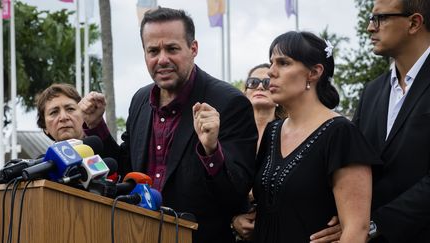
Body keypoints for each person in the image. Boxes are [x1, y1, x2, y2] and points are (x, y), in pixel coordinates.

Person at [79, 7, 258, 243]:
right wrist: (95, 126)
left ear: (193, 49)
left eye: (172, 48)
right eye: (153, 50)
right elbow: (125, 171)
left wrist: (211, 151)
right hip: (137, 234)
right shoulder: (140, 100)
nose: (162, 59)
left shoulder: (229, 103)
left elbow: (236, 195)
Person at [311, 0, 430, 242]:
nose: (369, 28)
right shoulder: (372, 91)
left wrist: (375, 225)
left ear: (414, 23)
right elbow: (352, 163)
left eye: (379, 18)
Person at [252, 31, 380, 243]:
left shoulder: (340, 133)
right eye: (271, 62)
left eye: (283, 63)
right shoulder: (272, 132)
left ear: (314, 72)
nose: (271, 73)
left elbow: (356, 229)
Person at [231, 63, 285, 242]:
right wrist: (233, 220)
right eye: (253, 82)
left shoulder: (290, 135)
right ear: (245, 91)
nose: (260, 86)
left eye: (267, 82)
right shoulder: (230, 134)